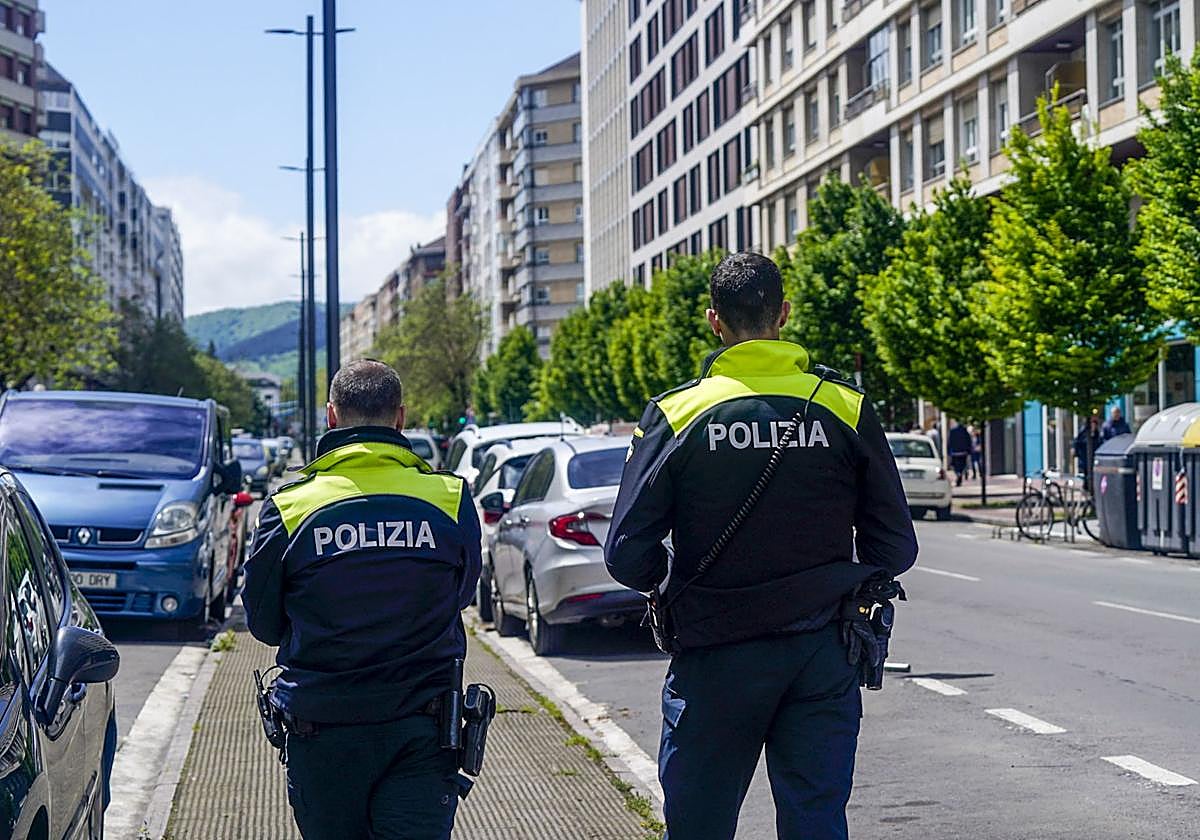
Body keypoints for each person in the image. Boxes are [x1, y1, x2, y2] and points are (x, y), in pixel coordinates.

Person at [604, 253, 917, 840]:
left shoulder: (677, 413)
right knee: (816, 822)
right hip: (823, 651)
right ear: (785, 314)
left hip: (715, 653)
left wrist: (670, 584)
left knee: (699, 826)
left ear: (713, 321)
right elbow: (895, 544)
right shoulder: (844, 406)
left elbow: (626, 551)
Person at [244, 359, 481, 840]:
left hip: (324, 731)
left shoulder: (290, 506)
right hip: (424, 728)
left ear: (331, 417)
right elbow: (462, 595)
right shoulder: (450, 499)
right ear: (401, 419)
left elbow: (264, 624)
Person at [1074, 414, 1102, 480]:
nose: (1093, 426)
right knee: (1086, 474)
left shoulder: (1097, 434)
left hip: (1093, 457)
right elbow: (1078, 442)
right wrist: (1076, 452)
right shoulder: (1083, 433)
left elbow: (1099, 443)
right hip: (1085, 457)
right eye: (1092, 424)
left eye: (1095, 424)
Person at [947, 421, 972, 486]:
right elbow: (969, 441)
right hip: (963, 452)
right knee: (962, 465)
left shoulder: (952, 431)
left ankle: (958, 473)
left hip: (955, 452)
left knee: (955, 465)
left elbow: (949, 442)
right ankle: (960, 473)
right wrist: (969, 451)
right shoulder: (965, 432)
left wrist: (949, 451)